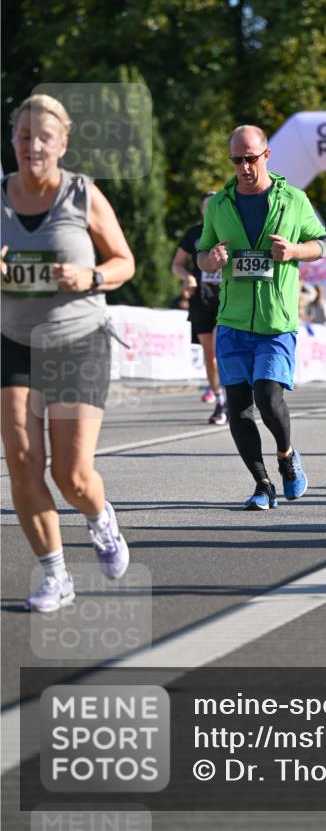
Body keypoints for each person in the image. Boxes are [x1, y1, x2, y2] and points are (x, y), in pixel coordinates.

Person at [1, 94, 135, 611]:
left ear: (62, 143)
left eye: (43, 138)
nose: (33, 146)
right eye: (24, 136)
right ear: (13, 139)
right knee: (22, 462)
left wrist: (92, 276)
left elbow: (125, 261)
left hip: (79, 342)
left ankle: (101, 521)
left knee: (71, 475)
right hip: (13, 342)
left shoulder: (82, 194)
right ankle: (55, 574)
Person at [197, 124, 326, 510]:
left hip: (276, 321)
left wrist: (294, 252)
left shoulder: (293, 200)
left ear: (266, 156)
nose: (243, 167)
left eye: (250, 159)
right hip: (233, 320)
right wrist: (211, 260)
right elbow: (202, 252)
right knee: (238, 407)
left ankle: (287, 456)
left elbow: (323, 243)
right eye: (236, 160)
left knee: (268, 400)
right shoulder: (219, 205)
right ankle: (262, 484)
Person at [171, 191, 227, 425]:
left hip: (227, 298)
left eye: (214, 204)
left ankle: (233, 395)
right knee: (209, 355)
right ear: (202, 209)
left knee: (221, 350)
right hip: (200, 299)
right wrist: (187, 277)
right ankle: (219, 399)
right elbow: (176, 265)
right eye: (206, 205)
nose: (209, 208)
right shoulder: (194, 234)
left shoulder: (229, 230)